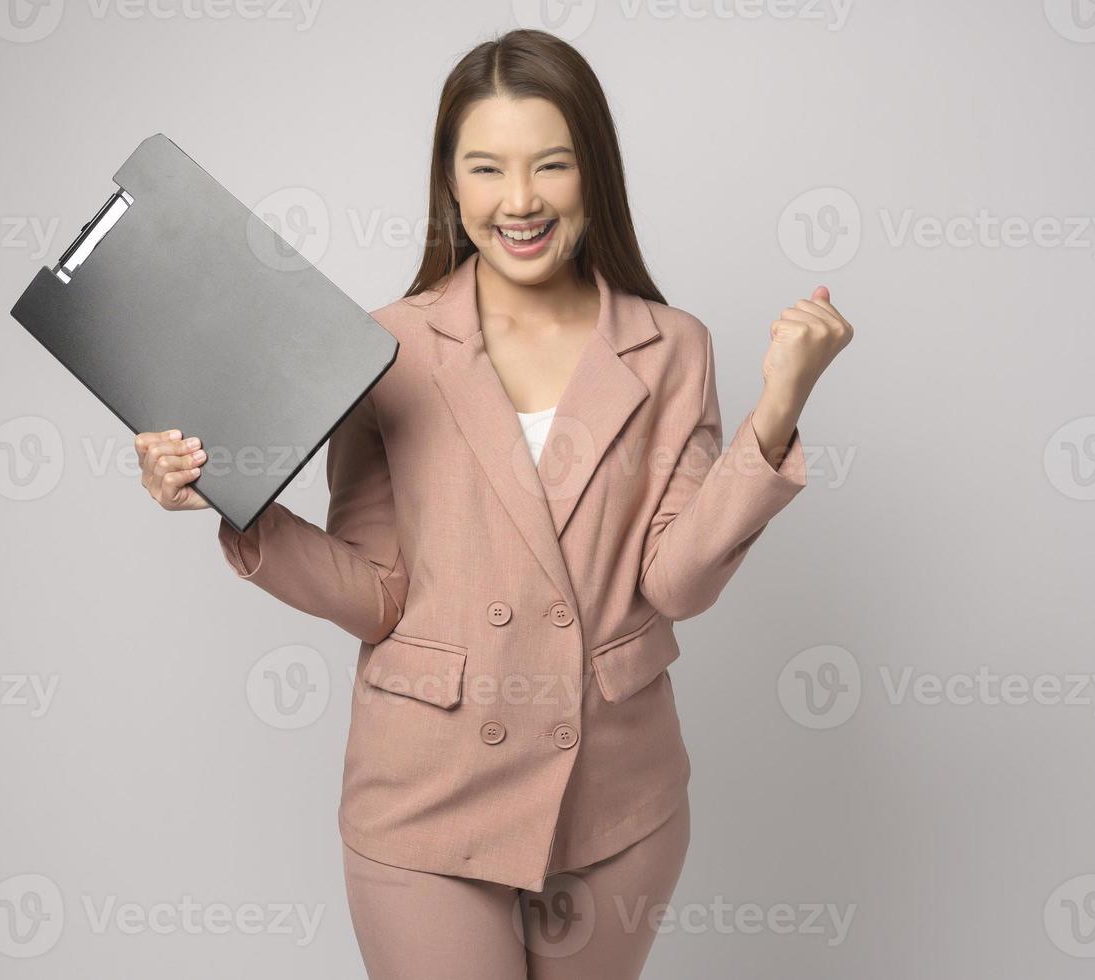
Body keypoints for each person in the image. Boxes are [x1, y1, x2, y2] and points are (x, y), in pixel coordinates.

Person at [136, 28, 852, 980]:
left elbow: (674, 583)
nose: (519, 202)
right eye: (486, 169)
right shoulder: (383, 346)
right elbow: (378, 594)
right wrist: (235, 505)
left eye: (551, 165)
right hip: (426, 789)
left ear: (592, 174)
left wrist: (777, 410)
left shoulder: (672, 346)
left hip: (612, 793)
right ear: (450, 182)